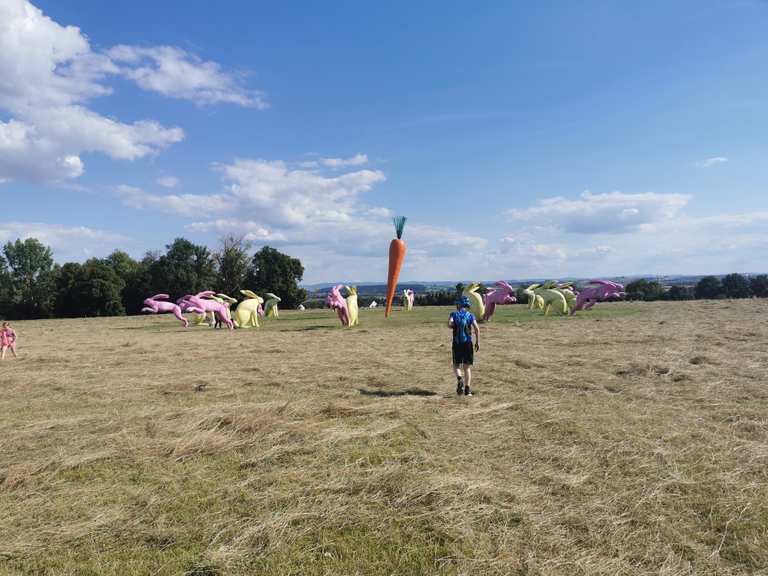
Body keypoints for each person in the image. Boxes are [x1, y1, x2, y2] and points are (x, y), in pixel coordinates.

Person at [449, 296, 480, 396]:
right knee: (467, 368)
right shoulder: (470, 315)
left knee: (456, 365)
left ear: (458, 304)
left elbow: (450, 324)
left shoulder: (453, 314)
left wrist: (452, 324)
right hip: (468, 343)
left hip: (457, 343)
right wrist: (477, 342)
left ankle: (459, 379)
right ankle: (467, 391)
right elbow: (477, 329)